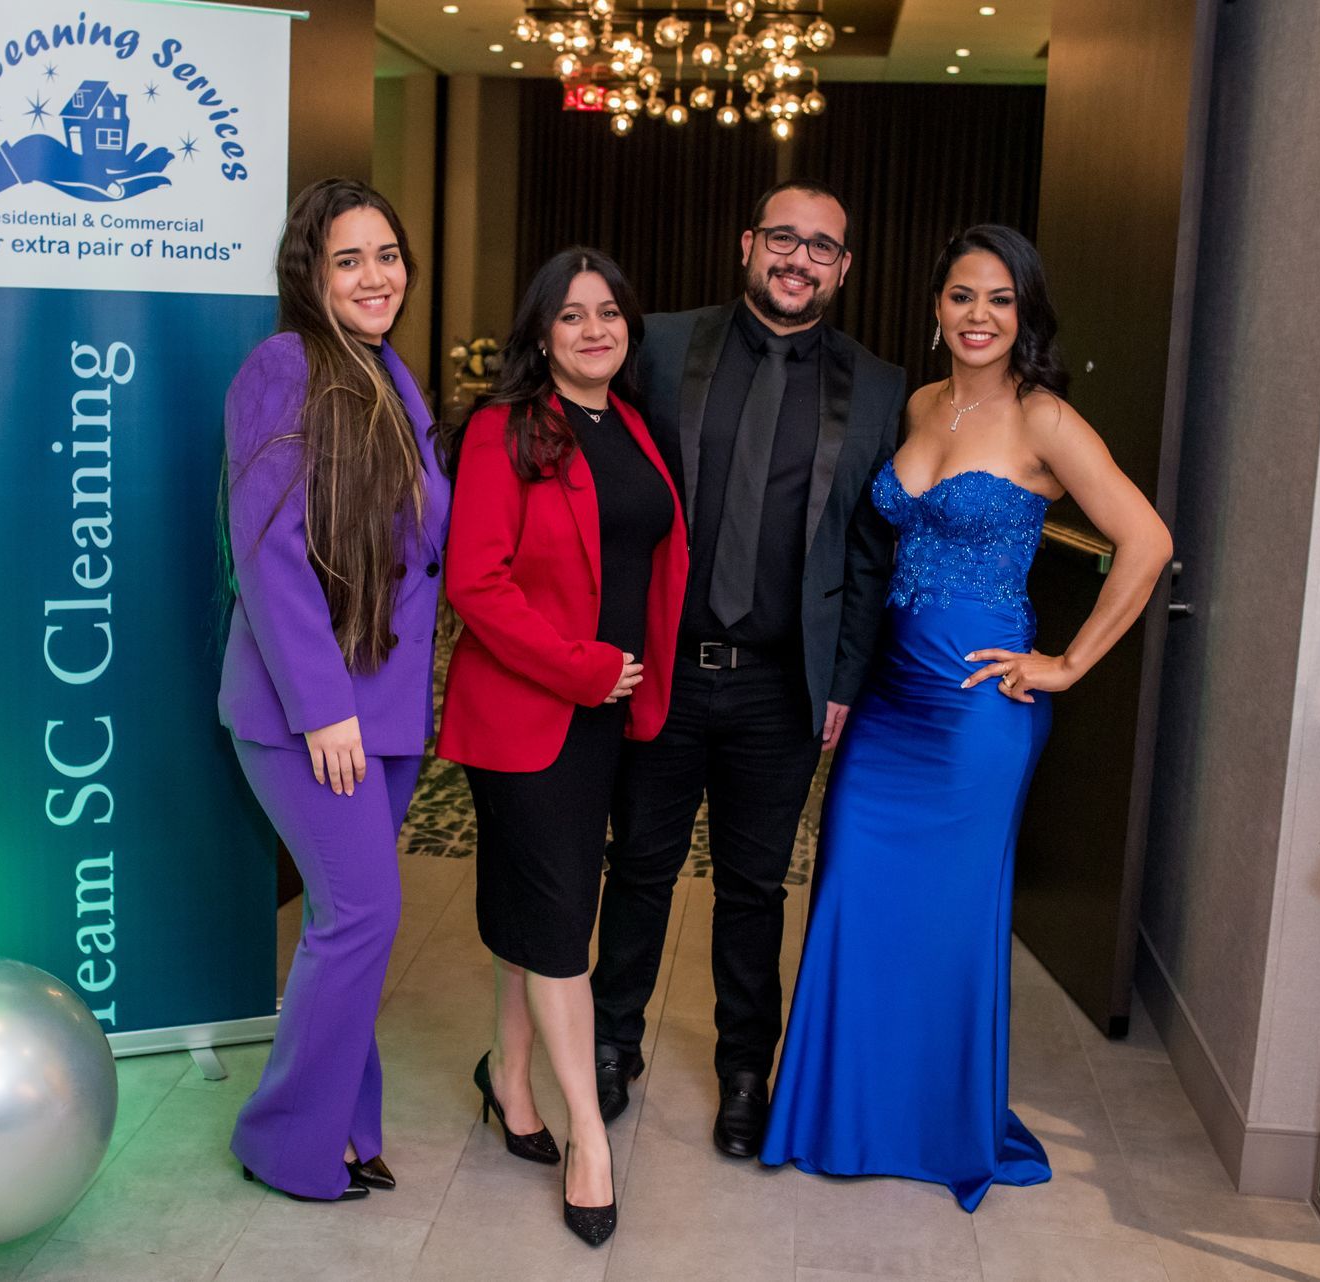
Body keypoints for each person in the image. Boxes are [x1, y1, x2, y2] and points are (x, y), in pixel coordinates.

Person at [760, 224, 1173, 1209]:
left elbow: (1148, 541)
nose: (978, 315)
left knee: (946, 922)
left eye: (1000, 298)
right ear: (937, 306)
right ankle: (838, 1115)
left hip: (977, 713)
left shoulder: (1044, 418)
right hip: (890, 700)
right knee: (851, 891)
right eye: (962, 295)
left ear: (1024, 314)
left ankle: (934, 1126)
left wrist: (1067, 662)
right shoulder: (919, 404)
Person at [589, 181, 904, 1159]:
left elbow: (867, 552)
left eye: (822, 246)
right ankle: (610, 1044)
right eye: (783, 237)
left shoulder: (879, 388)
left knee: (754, 888)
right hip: (663, 668)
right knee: (638, 867)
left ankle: (743, 1073)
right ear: (746, 244)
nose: (798, 258)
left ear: (843, 268)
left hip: (782, 682)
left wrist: (844, 678)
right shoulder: (657, 346)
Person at [436, 247, 687, 1246]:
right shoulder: (505, 430)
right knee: (557, 929)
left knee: (539, 913)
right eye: (572, 315)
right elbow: (476, 580)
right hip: (529, 714)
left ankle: (509, 1076)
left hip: (612, 718)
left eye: (609, 313)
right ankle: (590, 1138)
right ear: (541, 334)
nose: (594, 330)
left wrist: (625, 685)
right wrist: (583, 667)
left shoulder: (632, 424)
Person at [217, 178, 450, 1202]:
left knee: (345, 919)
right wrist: (324, 708)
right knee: (361, 914)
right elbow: (269, 552)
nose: (374, 276)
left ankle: (348, 1124)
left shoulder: (389, 371)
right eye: (347, 259)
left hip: (385, 711)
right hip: (310, 714)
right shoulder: (284, 367)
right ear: (308, 274)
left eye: (386, 255)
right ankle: (283, 1138)